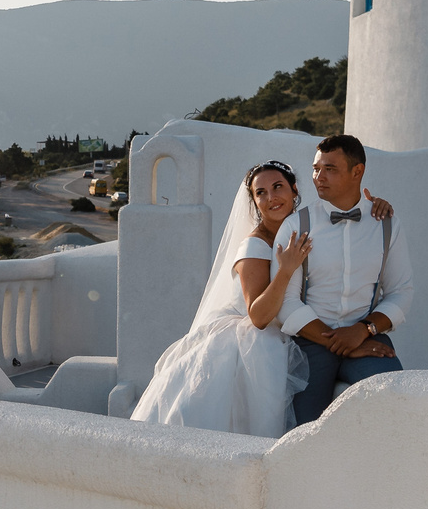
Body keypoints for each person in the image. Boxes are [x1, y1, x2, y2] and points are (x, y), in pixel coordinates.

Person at [129, 160, 317, 436]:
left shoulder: (299, 231)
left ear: (294, 190)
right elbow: (259, 317)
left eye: (278, 187)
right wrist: (286, 270)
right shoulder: (255, 245)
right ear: (254, 201)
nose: (271, 197)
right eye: (260, 193)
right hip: (251, 345)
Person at [280, 134, 410, 423]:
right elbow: (286, 302)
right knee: (304, 430)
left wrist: (363, 331)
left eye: (330, 169)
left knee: (397, 405)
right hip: (310, 343)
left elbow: (401, 291)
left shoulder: (387, 224)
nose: (318, 177)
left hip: (368, 337)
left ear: (357, 172)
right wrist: (337, 341)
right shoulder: (297, 225)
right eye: (316, 169)